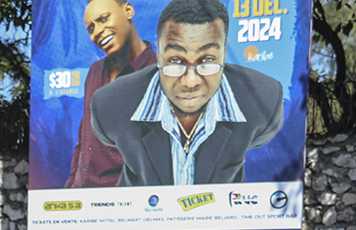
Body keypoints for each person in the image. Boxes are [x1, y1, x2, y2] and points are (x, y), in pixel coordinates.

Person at [87, 0, 285, 187]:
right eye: (175, 61)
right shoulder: (109, 105)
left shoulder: (264, 101)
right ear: (158, 53)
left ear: (224, 52)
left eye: (207, 60)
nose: (191, 81)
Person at [64, 0, 158, 188]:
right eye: (91, 28)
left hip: (126, 201)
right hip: (82, 194)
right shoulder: (95, 71)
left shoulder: (159, 74)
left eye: (103, 19)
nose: (97, 31)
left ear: (128, 11)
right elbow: (85, 138)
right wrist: (71, 184)